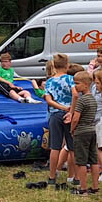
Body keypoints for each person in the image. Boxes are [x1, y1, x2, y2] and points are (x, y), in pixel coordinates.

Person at [43, 54, 75, 188]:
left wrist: (60, 107)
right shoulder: (70, 79)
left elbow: (48, 100)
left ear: (54, 66)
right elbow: (75, 94)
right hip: (69, 115)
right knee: (71, 146)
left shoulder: (50, 81)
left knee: (55, 147)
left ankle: (52, 176)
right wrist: (70, 110)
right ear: (67, 65)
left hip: (55, 115)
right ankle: (72, 176)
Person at [69, 71, 100, 195]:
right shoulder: (92, 99)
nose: (75, 86)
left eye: (77, 83)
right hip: (92, 130)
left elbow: (76, 117)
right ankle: (95, 187)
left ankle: (83, 188)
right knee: (93, 160)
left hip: (81, 131)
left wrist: (72, 129)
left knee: (81, 161)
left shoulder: (82, 100)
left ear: (86, 85)